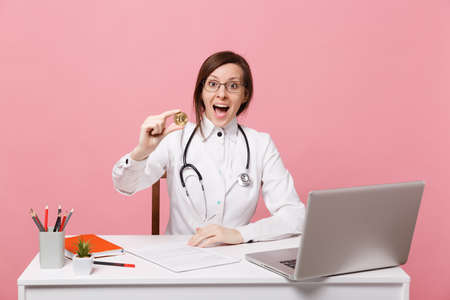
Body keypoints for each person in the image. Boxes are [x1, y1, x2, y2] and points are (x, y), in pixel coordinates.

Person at [112, 51, 305, 247]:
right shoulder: (176, 137)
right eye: (213, 84)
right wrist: (141, 152)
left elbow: (295, 216)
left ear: (245, 95)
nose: (222, 94)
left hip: (236, 260)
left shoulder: (260, 144)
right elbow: (125, 186)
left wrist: (239, 234)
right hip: (180, 256)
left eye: (233, 86)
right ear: (201, 91)